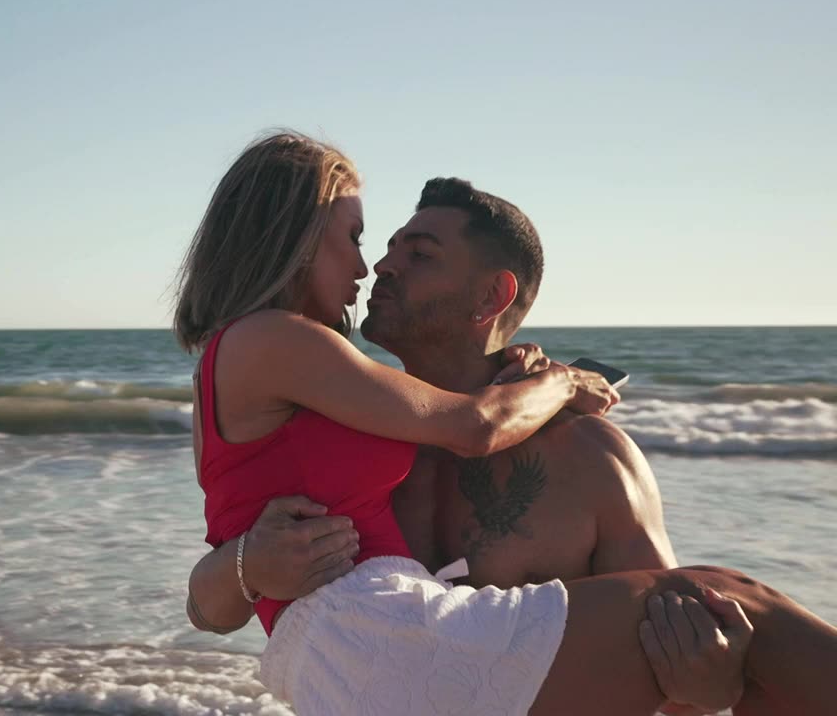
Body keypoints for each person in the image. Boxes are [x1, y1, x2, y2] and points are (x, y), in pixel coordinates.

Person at [174, 130, 837, 715]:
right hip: (375, 655)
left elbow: (678, 676)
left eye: (418, 254)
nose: (376, 266)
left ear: (493, 295)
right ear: (291, 240)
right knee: (740, 599)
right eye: (367, 241)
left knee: (724, 611)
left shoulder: (584, 458)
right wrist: (247, 563)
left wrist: (707, 688)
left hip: (345, 676)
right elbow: (207, 606)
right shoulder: (337, 408)